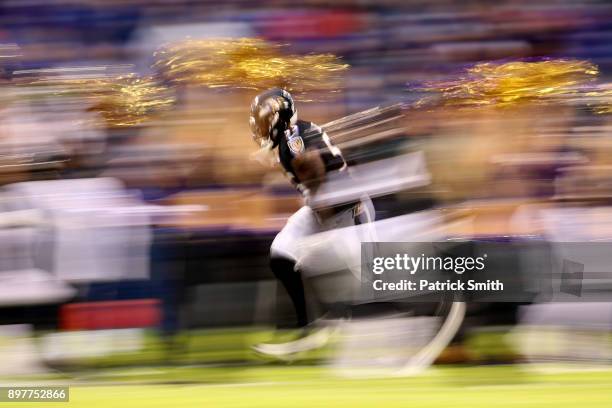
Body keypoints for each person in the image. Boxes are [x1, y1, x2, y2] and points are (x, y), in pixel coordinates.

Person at [249, 88, 374, 358]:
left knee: (362, 277)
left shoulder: (292, 138)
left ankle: (345, 317)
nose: (260, 128)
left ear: (277, 118)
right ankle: (309, 324)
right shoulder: (290, 136)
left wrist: (322, 204)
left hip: (344, 207)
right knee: (282, 252)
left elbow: (312, 163)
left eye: (263, 120)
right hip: (321, 207)